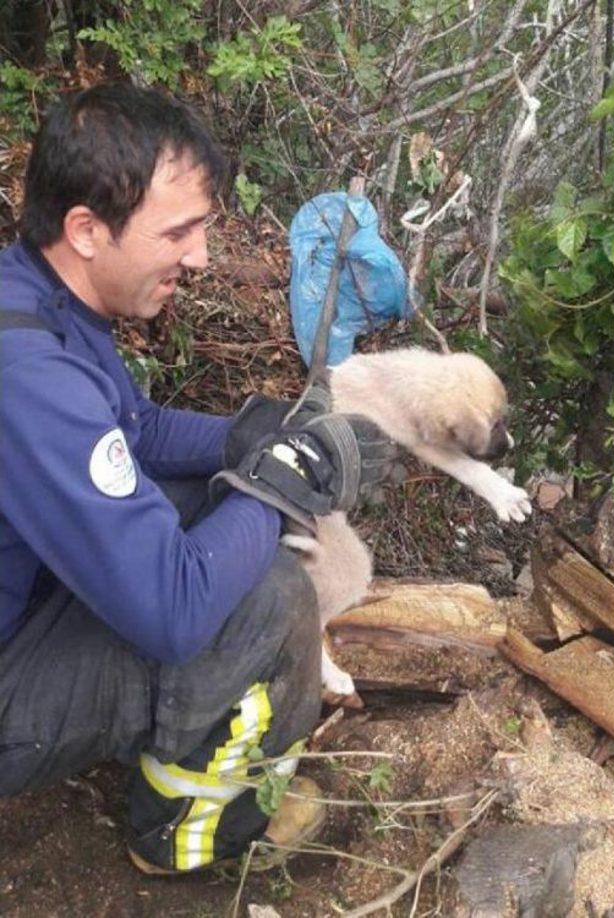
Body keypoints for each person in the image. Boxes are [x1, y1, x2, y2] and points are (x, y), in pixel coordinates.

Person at [0, 83, 397, 874]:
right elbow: (174, 610)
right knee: (262, 597)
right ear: (85, 230)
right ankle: (190, 839)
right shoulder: (25, 372)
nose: (202, 256)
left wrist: (261, 435)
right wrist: (282, 481)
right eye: (178, 231)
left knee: (212, 510)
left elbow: (133, 430)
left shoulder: (36, 301)